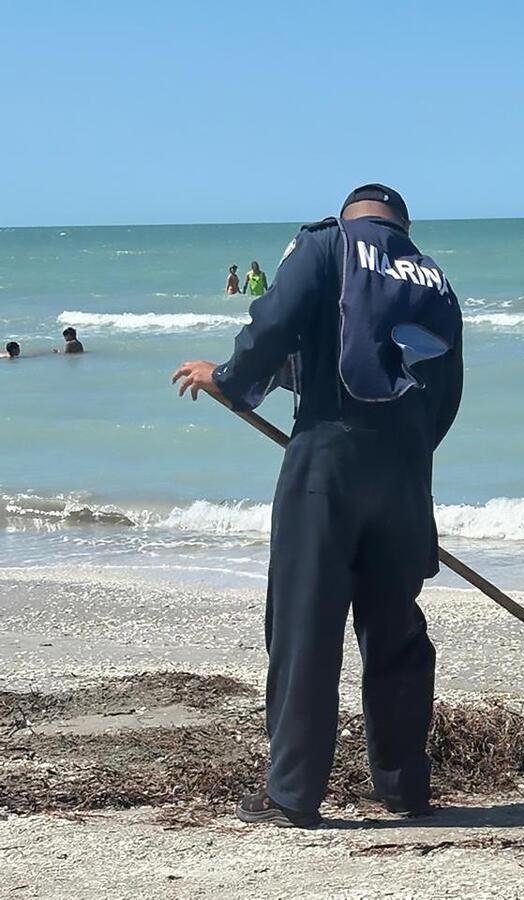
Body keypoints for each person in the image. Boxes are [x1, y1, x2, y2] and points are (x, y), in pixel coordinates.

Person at [172, 183, 464, 827]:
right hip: (407, 471)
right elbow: (445, 391)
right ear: (402, 226)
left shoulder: (325, 244)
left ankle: (293, 793)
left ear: (350, 214)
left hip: (326, 461)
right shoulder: (435, 278)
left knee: (305, 626)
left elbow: (274, 321)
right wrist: (407, 453)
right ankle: (404, 787)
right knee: (396, 631)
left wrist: (228, 380)